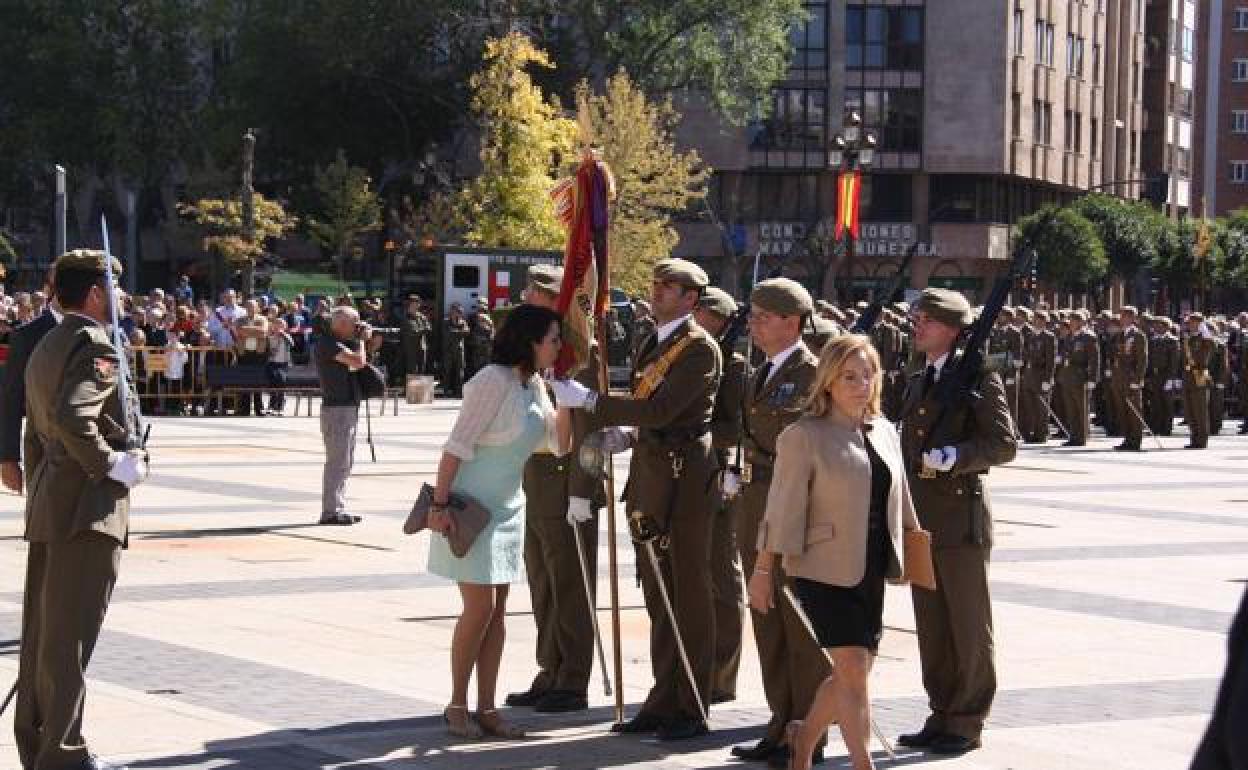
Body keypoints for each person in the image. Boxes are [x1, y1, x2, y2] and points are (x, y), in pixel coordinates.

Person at [551, 258, 722, 741]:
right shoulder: (654, 339)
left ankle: (692, 701)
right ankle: (663, 696)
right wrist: (627, 433)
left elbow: (665, 409)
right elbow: (648, 408)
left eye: (669, 287)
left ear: (691, 298)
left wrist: (592, 403)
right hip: (653, 470)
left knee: (687, 591)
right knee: (656, 589)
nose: (658, 291)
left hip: (685, 475)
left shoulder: (699, 349)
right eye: (656, 284)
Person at [751, 334, 921, 770]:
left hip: (871, 565)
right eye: (849, 376)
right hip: (821, 569)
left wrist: (916, 549)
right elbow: (781, 507)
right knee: (852, 670)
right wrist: (763, 570)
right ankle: (862, 763)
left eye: (868, 375)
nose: (861, 384)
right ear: (828, 381)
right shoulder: (803, 435)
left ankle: (802, 738)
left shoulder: (884, 431)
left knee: (854, 670)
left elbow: (900, 497)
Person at [15, 250, 148, 770]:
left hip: (51, 503)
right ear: (95, 294)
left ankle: (37, 742)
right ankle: (63, 756)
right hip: (86, 511)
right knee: (69, 642)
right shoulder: (95, 343)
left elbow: (36, 428)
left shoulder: (48, 340)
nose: (121, 299)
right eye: (114, 289)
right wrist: (112, 465)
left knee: (44, 640)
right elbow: (74, 418)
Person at [426, 303, 567, 739]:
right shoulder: (492, 381)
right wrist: (439, 505)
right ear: (531, 342)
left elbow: (558, 446)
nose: (559, 347)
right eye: (554, 340)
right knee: (480, 608)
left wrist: (571, 403)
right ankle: (456, 704)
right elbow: (455, 446)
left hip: (509, 508)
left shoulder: (536, 384)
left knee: (498, 611)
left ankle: (488, 708)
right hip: (469, 508)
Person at [895, 288, 1016, 755]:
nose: (917, 326)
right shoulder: (919, 377)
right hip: (922, 518)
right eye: (917, 319)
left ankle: (966, 720)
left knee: (967, 625)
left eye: (926, 320)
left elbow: (1003, 444)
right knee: (933, 624)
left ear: (950, 328)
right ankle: (941, 709)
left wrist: (957, 456)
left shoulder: (979, 379)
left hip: (960, 519)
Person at [728, 277, 831, 768]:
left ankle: (807, 729)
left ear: (792, 321)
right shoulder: (761, 372)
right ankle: (778, 722)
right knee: (766, 619)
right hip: (755, 502)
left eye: (763, 316)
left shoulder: (813, 373)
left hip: (790, 507)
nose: (754, 322)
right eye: (754, 314)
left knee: (796, 622)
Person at [507, 264, 605, 714]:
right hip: (536, 479)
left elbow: (589, 430)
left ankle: (573, 678)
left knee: (570, 583)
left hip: (567, 482)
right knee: (542, 580)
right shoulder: (534, 350)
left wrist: (583, 490)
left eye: (533, 290)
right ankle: (550, 668)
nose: (524, 295)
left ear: (553, 298)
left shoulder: (578, 354)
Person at [692, 286, 746, 704]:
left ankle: (722, 675)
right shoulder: (688, 355)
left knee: (723, 581)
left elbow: (740, 428)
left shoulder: (735, 365)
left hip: (719, 475)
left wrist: (698, 431)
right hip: (690, 476)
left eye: (705, 314)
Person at [0, 266, 59, 495]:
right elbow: (10, 398)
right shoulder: (28, 335)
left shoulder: (105, 331)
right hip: (46, 449)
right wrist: (8, 458)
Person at [313, 306, 371, 526]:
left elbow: (360, 364)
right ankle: (330, 511)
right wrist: (361, 342)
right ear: (342, 324)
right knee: (337, 462)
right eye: (354, 324)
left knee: (345, 462)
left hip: (346, 407)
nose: (357, 328)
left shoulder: (339, 343)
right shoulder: (327, 344)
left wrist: (365, 342)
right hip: (337, 410)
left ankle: (338, 507)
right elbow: (358, 362)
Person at [1056, 310, 1099, 446]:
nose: (1072, 323)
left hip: (1081, 376)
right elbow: (1065, 353)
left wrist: (1093, 379)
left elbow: (1094, 360)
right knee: (1071, 408)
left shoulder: (1089, 337)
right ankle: (1073, 436)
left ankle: (1082, 437)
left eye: (1075, 321)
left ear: (1081, 322)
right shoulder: (1070, 337)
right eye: (1071, 321)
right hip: (1068, 376)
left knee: (1081, 408)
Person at [1112, 306, 1149, 451]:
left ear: (1132, 318)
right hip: (1119, 378)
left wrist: (1138, 380)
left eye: (1124, 316)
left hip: (1131, 379)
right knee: (1122, 410)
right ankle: (1127, 438)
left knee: (1134, 411)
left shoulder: (1139, 335)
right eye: (1121, 316)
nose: (1121, 318)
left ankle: (1135, 440)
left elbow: (1142, 360)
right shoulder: (1120, 335)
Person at [1183, 313, 1216, 450]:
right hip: (1188, 376)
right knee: (1190, 411)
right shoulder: (1189, 338)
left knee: (1200, 411)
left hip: (1201, 375)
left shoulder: (1205, 339)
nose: (1189, 324)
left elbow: (1212, 347)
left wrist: (1206, 332)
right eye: (1188, 322)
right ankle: (1194, 438)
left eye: (1192, 322)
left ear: (1199, 323)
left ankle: (1202, 440)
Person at [400, 295, 431, 377]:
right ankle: (411, 389)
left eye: (418, 303)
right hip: (410, 348)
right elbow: (413, 331)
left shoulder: (422, 316)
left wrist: (421, 330)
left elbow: (428, 328)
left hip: (422, 346)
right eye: (416, 302)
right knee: (412, 370)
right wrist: (422, 330)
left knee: (421, 370)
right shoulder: (406, 317)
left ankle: (419, 389)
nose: (418, 305)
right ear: (411, 304)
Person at [443, 303, 469, 397]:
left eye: (459, 312)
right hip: (448, 350)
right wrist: (458, 332)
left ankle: (458, 391)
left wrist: (456, 331)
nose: (457, 313)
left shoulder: (463, 322)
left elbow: (466, 332)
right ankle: (446, 391)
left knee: (460, 371)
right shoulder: (446, 322)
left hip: (459, 350)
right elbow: (448, 334)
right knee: (447, 371)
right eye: (455, 311)